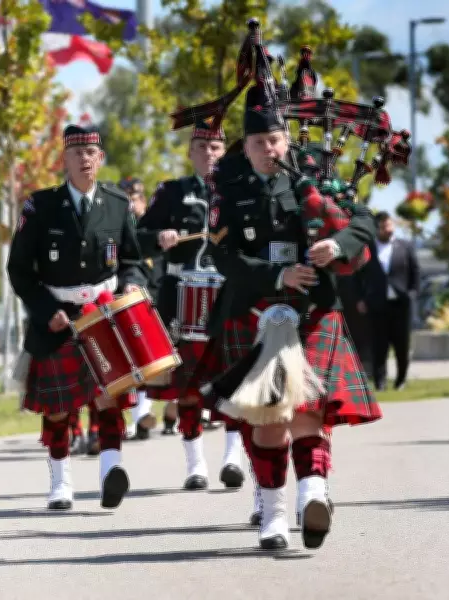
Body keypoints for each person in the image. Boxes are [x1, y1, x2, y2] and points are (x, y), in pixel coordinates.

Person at [188, 68, 382, 550]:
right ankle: (274, 515)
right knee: (269, 419)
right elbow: (222, 256)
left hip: (314, 309)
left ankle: (313, 496)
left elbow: (362, 224)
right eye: (258, 142)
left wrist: (335, 245)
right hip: (255, 310)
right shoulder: (227, 184)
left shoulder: (315, 169)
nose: (269, 149)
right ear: (246, 145)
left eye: (275, 139)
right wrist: (276, 275)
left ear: (285, 138)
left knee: (309, 412)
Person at [7, 124, 146, 511]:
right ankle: (60, 483)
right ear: (64, 160)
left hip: (104, 315)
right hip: (58, 317)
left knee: (108, 397)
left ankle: (110, 472)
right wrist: (45, 310)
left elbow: (133, 260)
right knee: (58, 408)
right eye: (77, 153)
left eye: (91, 153)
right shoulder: (40, 205)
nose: (85, 160)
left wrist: (132, 286)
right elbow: (19, 269)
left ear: (100, 159)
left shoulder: (118, 204)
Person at [136, 121, 245, 491]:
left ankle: (233, 457)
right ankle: (195, 464)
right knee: (189, 385)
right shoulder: (171, 191)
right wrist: (158, 237)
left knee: (234, 377)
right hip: (180, 294)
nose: (209, 154)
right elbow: (138, 238)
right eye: (201, 146)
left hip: (230, 294)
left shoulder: (241, 190)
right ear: (189, 152)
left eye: (216, 147)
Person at [120, 176, 160, 441]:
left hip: (159, 294)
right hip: (132, 296)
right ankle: (139, 416)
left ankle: (149, 413)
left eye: (135, 198)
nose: (132, 204)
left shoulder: (156, 224)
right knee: (133, 360)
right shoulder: (121, 228)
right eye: (127, 199)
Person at [362, 212, 420, 390]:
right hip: (377, 304)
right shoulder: (368, 248)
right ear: (376, 228)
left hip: (401, 305)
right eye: (384, 226)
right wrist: (360, 298)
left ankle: (401, 380)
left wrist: (412, 294)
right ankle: (380, 382)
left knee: (402, 345)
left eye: (390, 225)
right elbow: (358, 276)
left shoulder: (405, 246)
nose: (388, 229)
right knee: (379, 346)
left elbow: (415, 272)